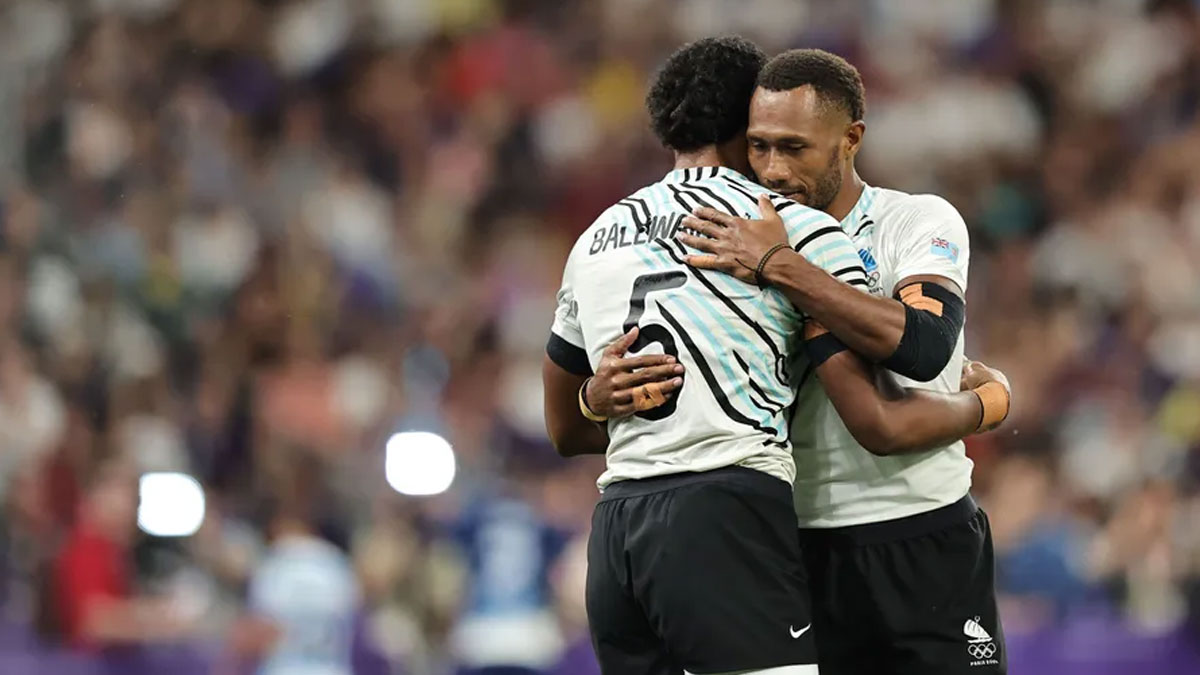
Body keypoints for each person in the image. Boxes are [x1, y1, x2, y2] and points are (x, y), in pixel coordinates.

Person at [672, 49, 1008, 674]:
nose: (773, 170)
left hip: (923, 529)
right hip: (794, 543)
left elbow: (925, 345)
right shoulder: (727, 244)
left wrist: (781, 265)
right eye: (759, 146)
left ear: (850, 139)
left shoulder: (913, 220)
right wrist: (595, 397)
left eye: (794, 148)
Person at [542, 36, 869, 675]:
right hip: (725, 508)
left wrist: (592, 399)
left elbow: (563, 427)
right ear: (752, 120)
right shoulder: (785, 227)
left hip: (617, 533)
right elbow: (892, 353)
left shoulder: (594, 239)